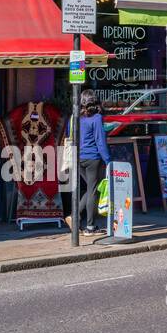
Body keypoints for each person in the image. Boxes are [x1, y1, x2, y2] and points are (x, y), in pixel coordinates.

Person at [76, 89, 110, 236]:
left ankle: (74, 216)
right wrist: (108, 160)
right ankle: (90, 227)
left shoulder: (76, 117)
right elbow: (100, 142)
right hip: (92, 159)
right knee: (93, 191)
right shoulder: (96, 118)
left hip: (78, 158)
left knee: (91, 189)